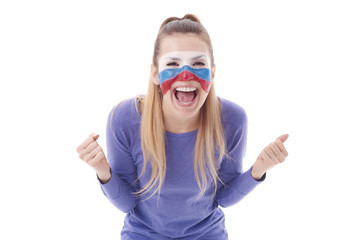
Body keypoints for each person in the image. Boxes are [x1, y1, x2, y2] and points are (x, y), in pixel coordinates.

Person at [76, 14, 289, 240]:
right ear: (155, 73)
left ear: (213, 72)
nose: (185, 74)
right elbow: (128, 203)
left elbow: (224, 198)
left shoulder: (233, 119)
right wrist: (103, 171)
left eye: (198, 63)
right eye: (172, 64)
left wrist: (258, 170)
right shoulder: (124, 119)